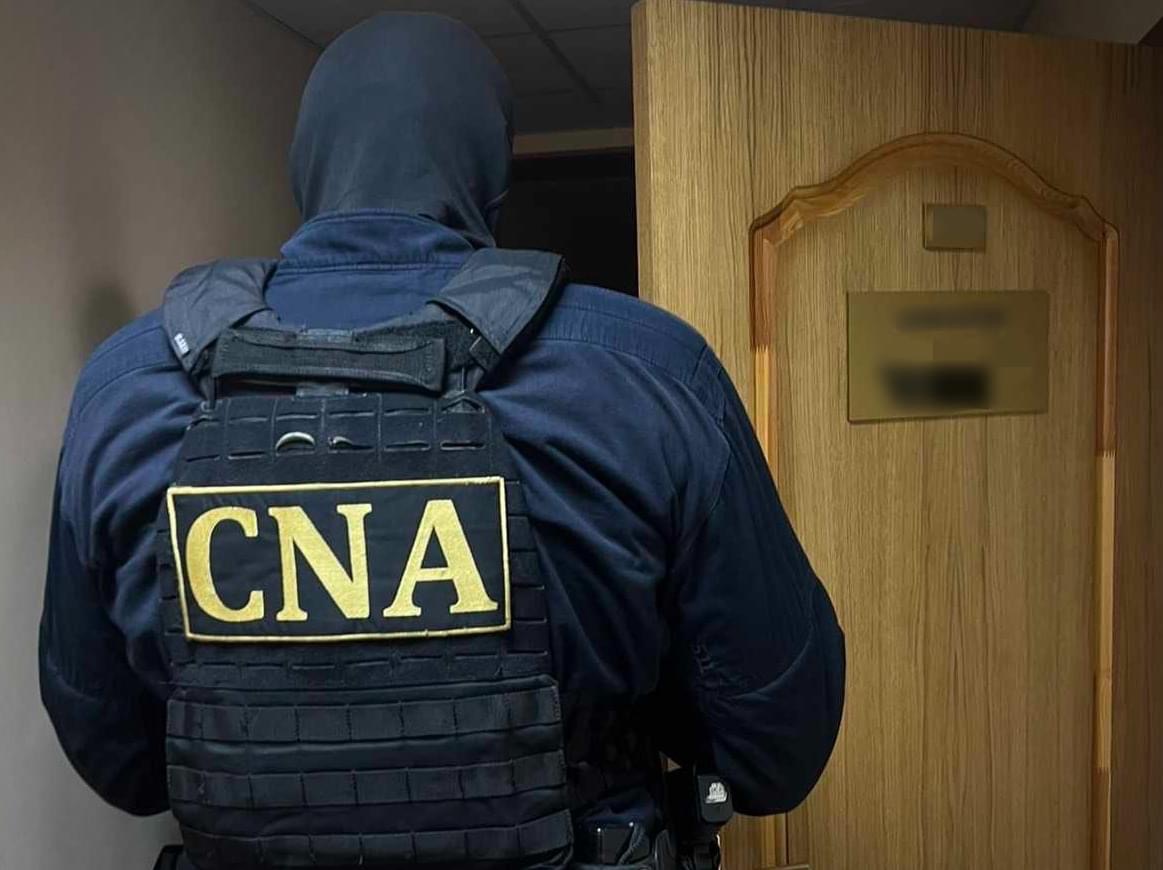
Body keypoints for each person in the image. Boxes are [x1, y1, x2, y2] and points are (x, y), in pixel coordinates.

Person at [39, 12, 844, 870]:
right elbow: (776, 748)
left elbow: (123, 765)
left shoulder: (123, 389)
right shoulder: (647, 371)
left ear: (306, 167)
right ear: (489, 175)